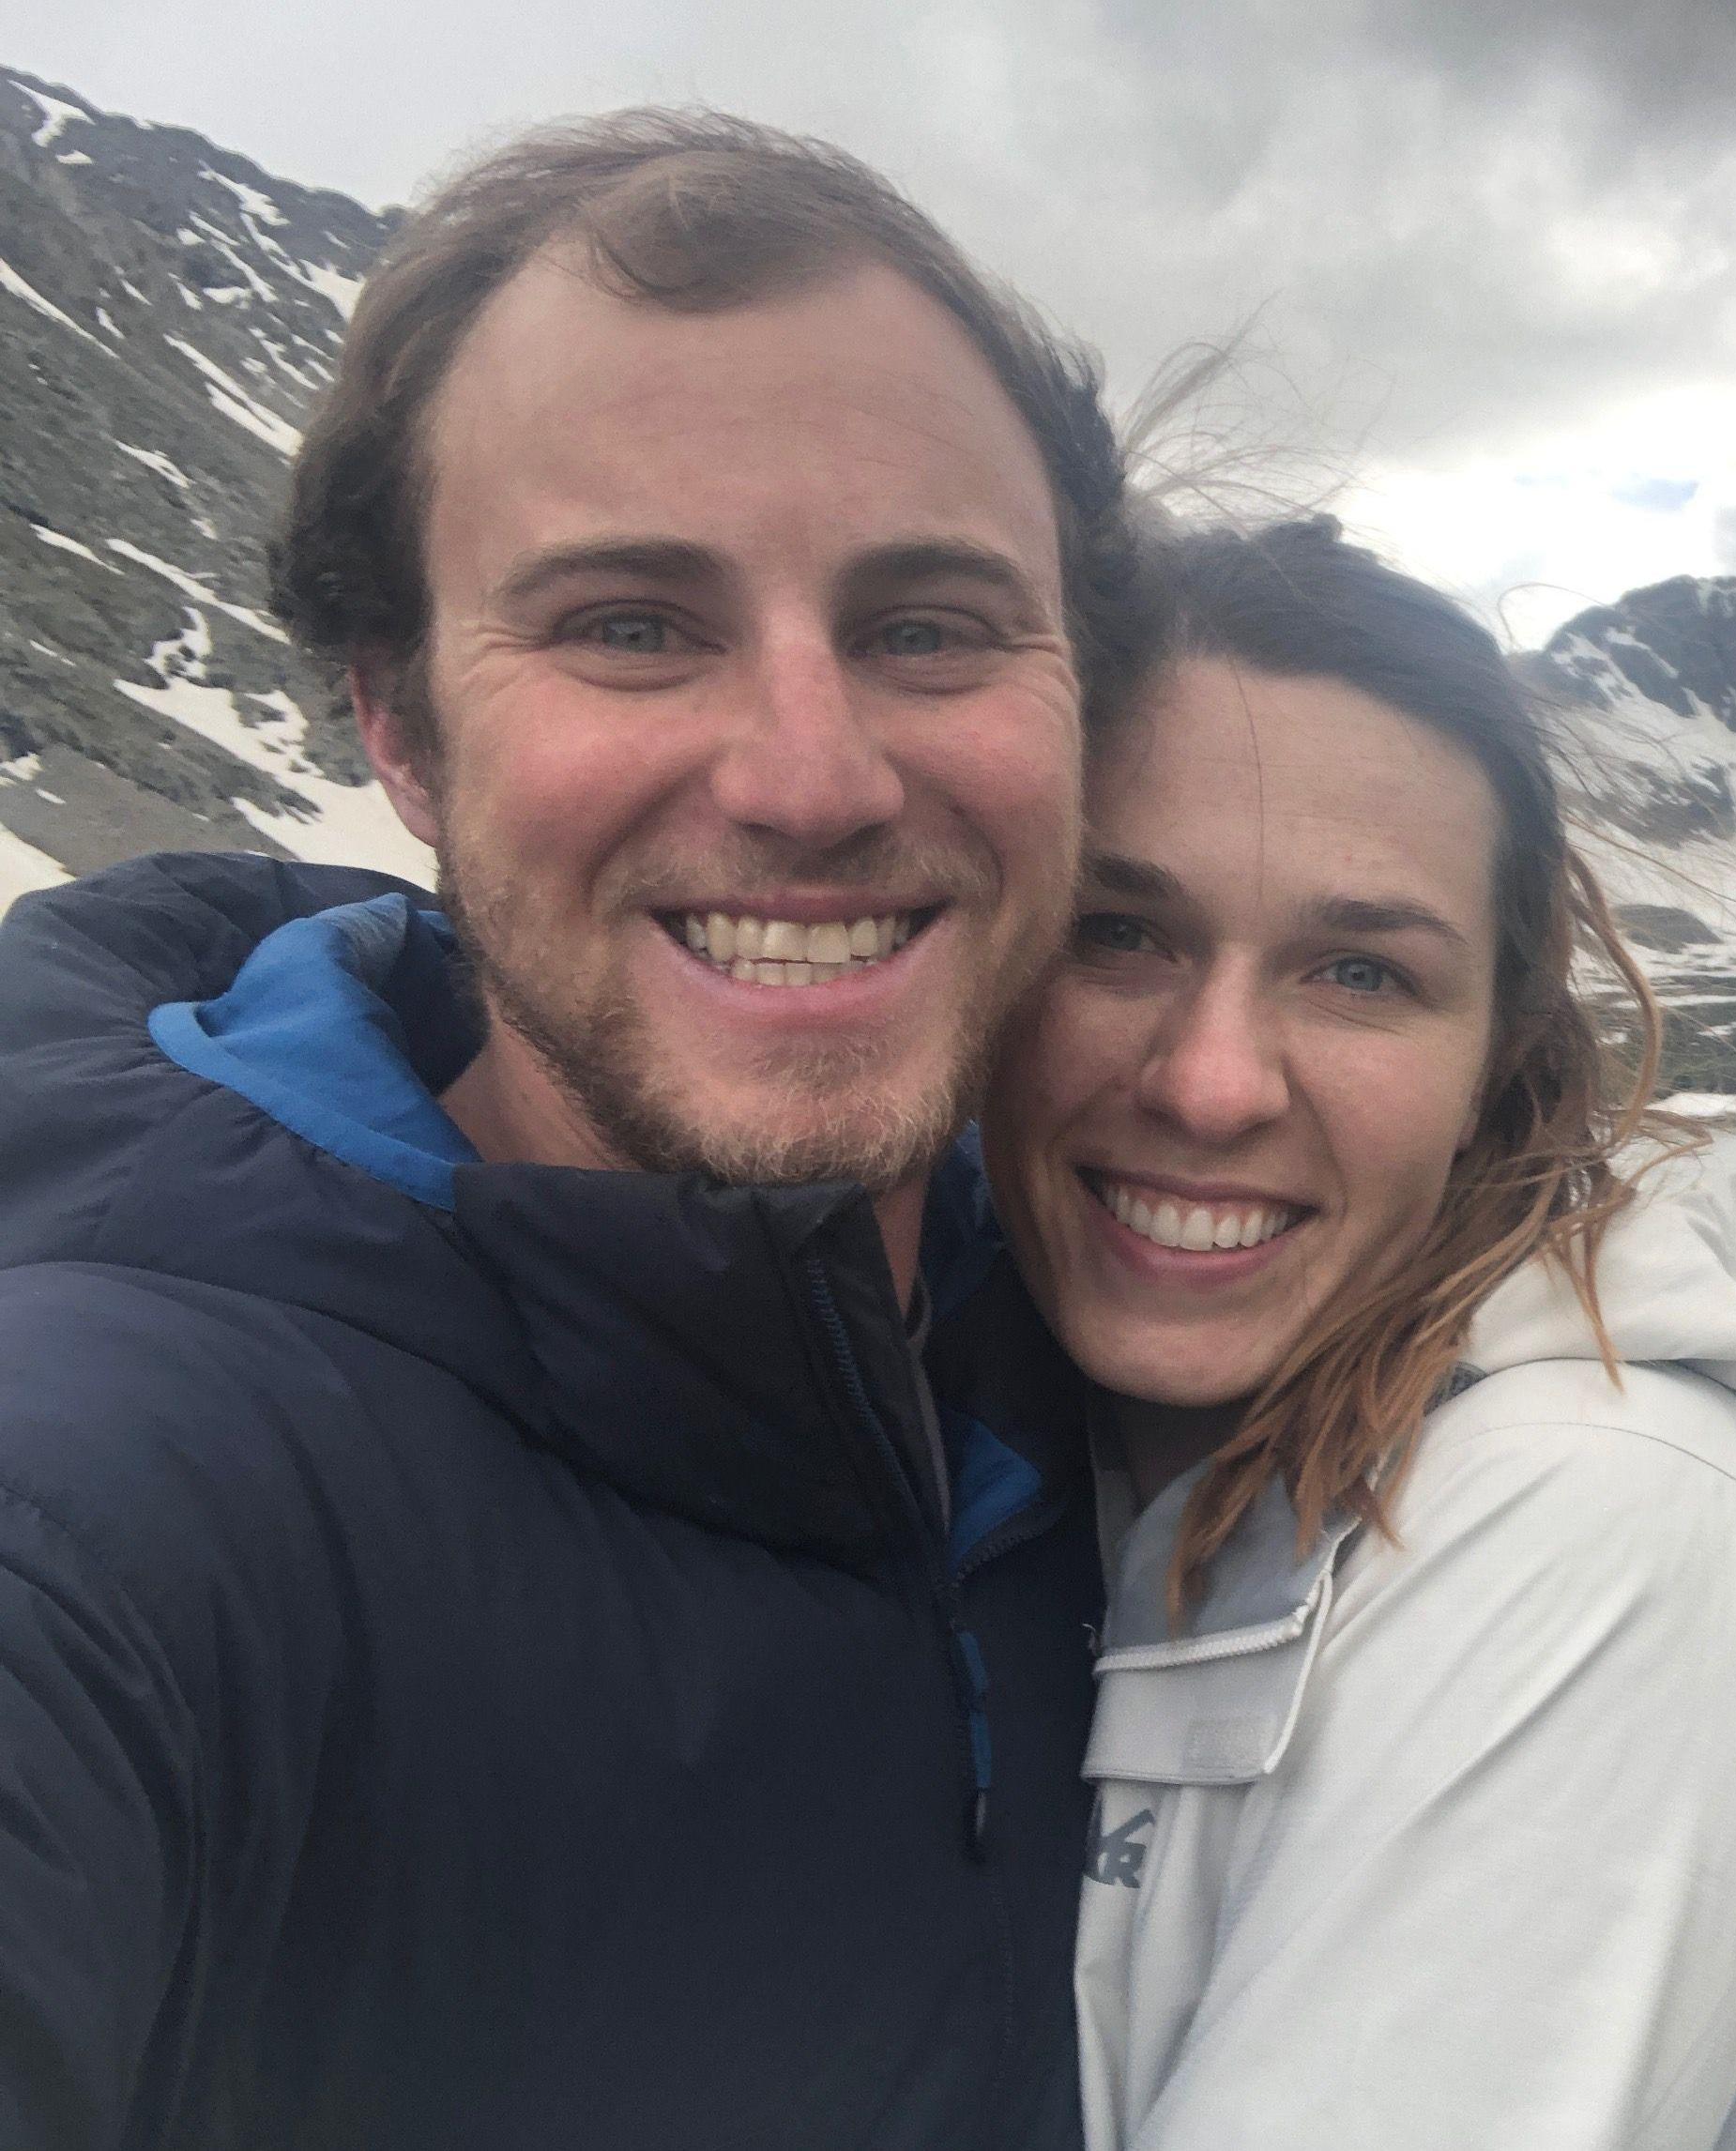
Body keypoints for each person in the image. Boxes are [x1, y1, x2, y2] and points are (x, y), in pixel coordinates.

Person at [0, 109, 1150, 2151]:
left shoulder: (1104, 1348)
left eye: (928, 627)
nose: (811, 777)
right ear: (398, 727)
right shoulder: (106, 1506)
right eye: (631, 625)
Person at [982, 517, 1736, 2150]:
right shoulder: (1039, 1460)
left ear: (1501, 1058)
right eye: (1118, 933)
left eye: (1359, 972)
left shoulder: (1604, 1513)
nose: (1211, 1082)